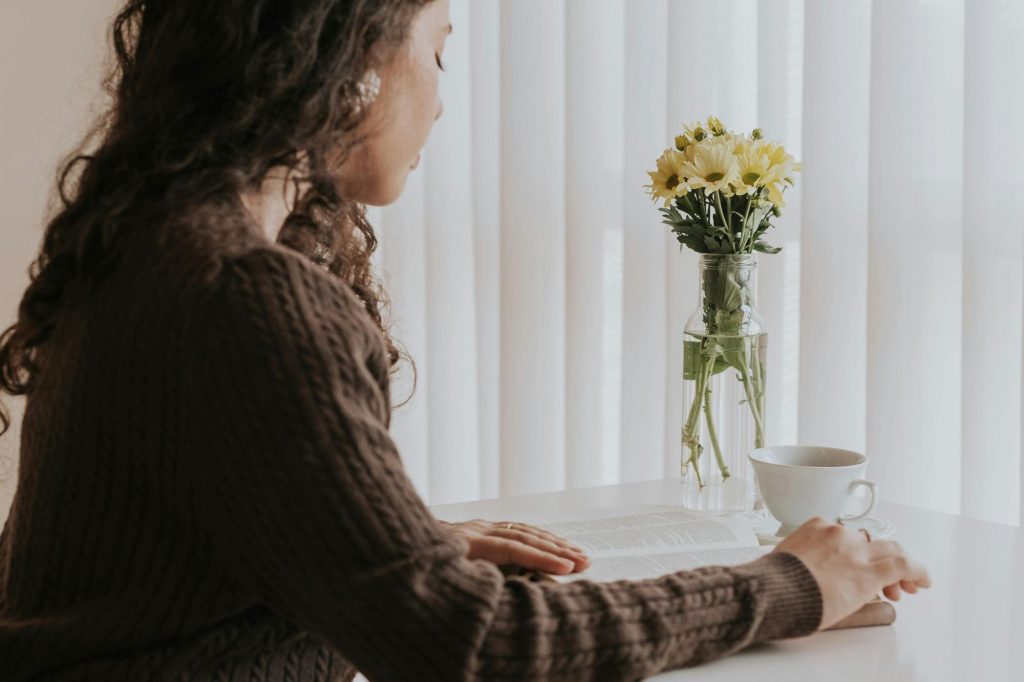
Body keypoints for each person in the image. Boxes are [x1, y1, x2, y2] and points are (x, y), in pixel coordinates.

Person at [0, 0, 931, 680]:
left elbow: (147, 564)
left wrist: (380, 543)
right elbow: (472, 644)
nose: (443, 101)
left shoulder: (144, 244)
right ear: (355, 53)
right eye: (440, 52)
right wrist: (786, 584)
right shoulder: (244, 294)